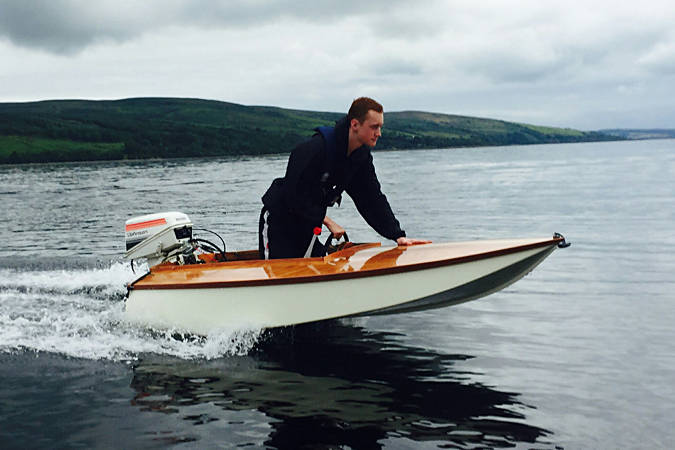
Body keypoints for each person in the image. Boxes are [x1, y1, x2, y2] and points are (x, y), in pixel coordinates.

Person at [259, 97, 430, 259]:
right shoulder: (314, 149)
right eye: (374, 127)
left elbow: (371, 200)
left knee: (318, 269)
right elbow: (292, 196)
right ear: (355, 124)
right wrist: (327, 222)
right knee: (280, 272)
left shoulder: (360, 158)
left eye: (380, 127)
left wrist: (397, 235)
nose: (379, 133)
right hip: (278, 220)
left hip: (308, 225)